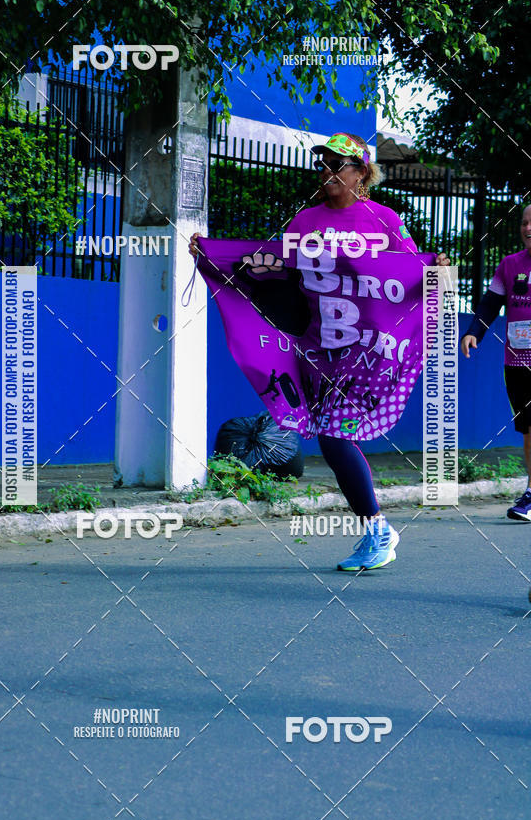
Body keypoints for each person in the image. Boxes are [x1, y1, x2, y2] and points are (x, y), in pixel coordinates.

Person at [191, 131, 449, 571]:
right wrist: (212, 256)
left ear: (362, 172)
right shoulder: (304, 222)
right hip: (318, 350)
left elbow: (411, 273)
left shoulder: (384, 220)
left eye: (339, 165)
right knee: (331, 443)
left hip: (367, 351)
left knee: (333, 438)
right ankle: (377, 529)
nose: (328, 172)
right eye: (323, 164)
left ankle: (377, 531)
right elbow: (278, 280)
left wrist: (437, 270)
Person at [461, 204, 531, 521]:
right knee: (529, 430)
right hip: (517, 363)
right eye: (524, 222)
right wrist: (474, 332)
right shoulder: (509, 264)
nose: (527, 228)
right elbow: (490, 303)